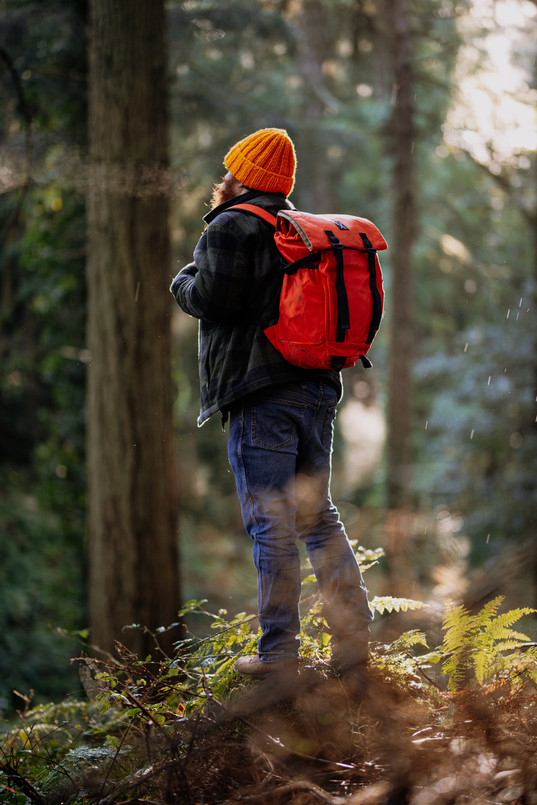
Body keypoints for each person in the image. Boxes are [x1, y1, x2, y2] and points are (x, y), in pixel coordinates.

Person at [170, 128, 372, 679]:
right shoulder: (298, 230)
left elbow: (211, 298)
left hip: (261, 395)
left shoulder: (231, 225)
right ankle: (354, 645)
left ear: (238, 177)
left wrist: (182, 280)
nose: (222, 179)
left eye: (228, 170)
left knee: (270, 521)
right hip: (317, 389)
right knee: (317, 518)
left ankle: (279, 656)